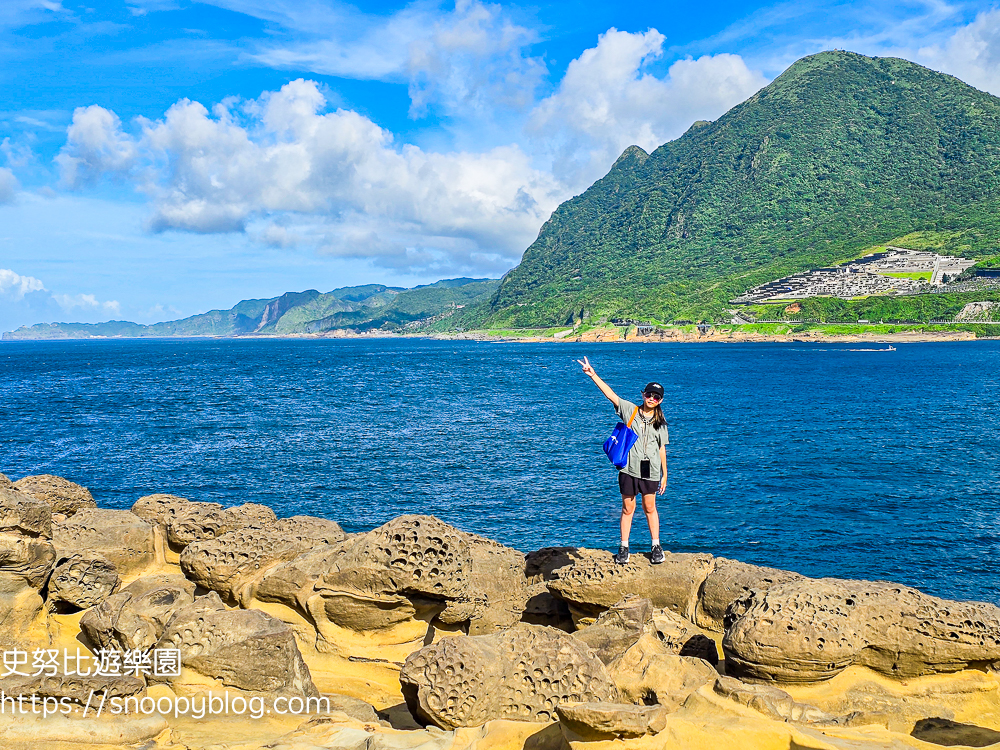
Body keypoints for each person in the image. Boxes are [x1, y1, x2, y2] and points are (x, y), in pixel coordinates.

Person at [577, 356, 669, 565]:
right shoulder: (631, 410)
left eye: (656, 396)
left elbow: (661, 449)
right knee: (628, 508)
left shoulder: (661, 423)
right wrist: (593, 375)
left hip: (651, 470)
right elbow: (611, 395)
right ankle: (624, 547)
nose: (652, 398)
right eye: (649, 394)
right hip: (628, 468)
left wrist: (665, 475)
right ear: (643, 395)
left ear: (660, 400)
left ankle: (656, 545)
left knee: (650, 507)